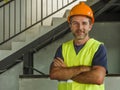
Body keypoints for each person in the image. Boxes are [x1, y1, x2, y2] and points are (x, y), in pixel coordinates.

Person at [49, 2, 107, 90]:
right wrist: (82, 69)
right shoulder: (63, 48)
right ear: (70, 26)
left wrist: (66, 72)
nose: (80, 28)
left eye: (84, 23)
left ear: (90, 26)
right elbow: (54, 74)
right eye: (75, 23)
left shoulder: (98, 48)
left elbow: (98, 78)